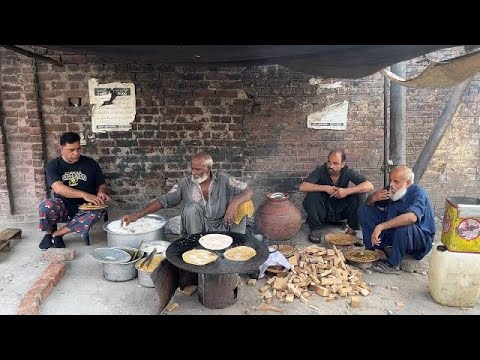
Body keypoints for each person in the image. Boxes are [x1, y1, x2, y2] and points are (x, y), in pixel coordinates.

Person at [122, 151, 253, 236]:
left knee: (244, 204)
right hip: (199, 229)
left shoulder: (224, 179)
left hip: (223, 225)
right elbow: (163, 201)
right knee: (190, 208)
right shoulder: (184, 183)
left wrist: (234, 203)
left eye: (198, 169)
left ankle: (237, 244)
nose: (193, 173)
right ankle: (195, 247)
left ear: (208, 168)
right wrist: (137, 215)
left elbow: (248, 191)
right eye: (192, 169)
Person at [38, 132, 110, 250]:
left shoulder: (90, 164)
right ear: (61, 148)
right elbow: (58, 188)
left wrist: (101, 192)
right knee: (45, 205)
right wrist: (85, 194)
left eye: (78, 149)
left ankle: (57, 234)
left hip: (87, 207)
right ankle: (48, 233)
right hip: (64, 206)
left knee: (96, 213)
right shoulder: (54, 165)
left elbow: (102, 184)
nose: (76, 153)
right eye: (71, 150)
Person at [358, 165, 435, 274]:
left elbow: (411, 218)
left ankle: (393, 264)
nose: (392, 185)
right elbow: (369, 203)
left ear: (407, 183)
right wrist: (374, 198)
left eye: (396, 182)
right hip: (394, 234)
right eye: (391, 180)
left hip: (417, 240)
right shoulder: (391, 188)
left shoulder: (418, 193)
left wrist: (380, 226)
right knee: (364, 210)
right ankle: (373, 250)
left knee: (404, 225)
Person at [299, 149, 373, 243]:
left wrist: (346, 191)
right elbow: (302, 187)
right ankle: (315, 230)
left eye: (335, 163)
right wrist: (325, 188)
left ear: (343, 164)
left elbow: (369, 186)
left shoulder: (347, 172)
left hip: (341, 210)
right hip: (323, 210)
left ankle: (352, 231)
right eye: (329, 162)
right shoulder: (321, 170)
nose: (331, 166)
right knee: (313, 195)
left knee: (359, 195)